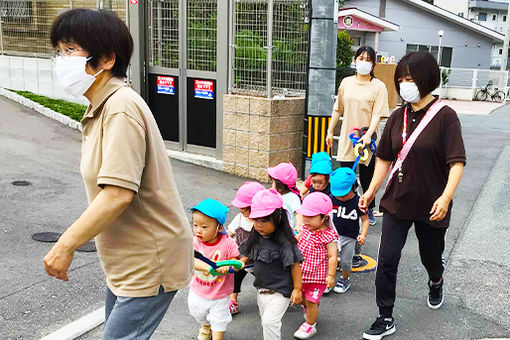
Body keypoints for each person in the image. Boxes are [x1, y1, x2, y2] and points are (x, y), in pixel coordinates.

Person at [43, 9, 193, 339]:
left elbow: (117, 194)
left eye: (70, 50)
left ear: (107, 58)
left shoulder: (120, 107)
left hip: (149, 261)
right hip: (127, 262)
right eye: (58, 51)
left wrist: (66, 244)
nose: (61, 60)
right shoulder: (102, 107)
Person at [359, 51, 465, 340]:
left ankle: (436, 278)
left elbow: (456, 162)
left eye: (411, 78)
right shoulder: (397, 116)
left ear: (427, 78)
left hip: (433, 203)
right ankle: (385, 316)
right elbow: (384, 158)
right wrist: (370, 191)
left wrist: (445, 198)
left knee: (429, 255)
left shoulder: (445, 117)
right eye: (401, 79)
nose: (406, 84)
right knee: (387, 259)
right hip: (397, 201)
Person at [326, 46, 390, 226]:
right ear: (355, 61)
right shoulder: (346, 82)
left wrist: (369, 135)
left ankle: (368, 208)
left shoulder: (378, 86)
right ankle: (345, 207)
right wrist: (330, 130)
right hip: (349, 138)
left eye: (368, 60)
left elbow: (378, 114)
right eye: (361, 58)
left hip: (367, 139)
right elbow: (338, 108)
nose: (364, 62)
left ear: (373, 64)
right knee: (346, 173)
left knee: (368, 175)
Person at [239, 188, 303, 340]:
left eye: (264, 220)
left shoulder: (285, 242)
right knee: (266, 323)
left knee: (269, 322)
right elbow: (249, 255)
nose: (259, 225)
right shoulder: (257, 237)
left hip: (280, 291)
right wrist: (242, 260)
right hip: (261, 290)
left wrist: (297, 289)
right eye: (256, 220)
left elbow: (295, 266)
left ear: (278, 218)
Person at [189, 199, 240, 340]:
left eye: (204, 227)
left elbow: (235, 260)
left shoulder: (228, 243)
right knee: (197, 313)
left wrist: (230, 266)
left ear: (219, 227)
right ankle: (206, 325)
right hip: (199, 288)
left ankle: (216, 335)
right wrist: (211, 267)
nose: (198, 230)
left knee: (219, 319)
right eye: (195, 225)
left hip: (220, 292)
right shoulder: (194, 242)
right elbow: (190, 259)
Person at [293, 192, 338, 339]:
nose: (306, 219)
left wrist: (331, 275)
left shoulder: (329, 235)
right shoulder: (305, 229)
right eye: (305, 215)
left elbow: (332, 256)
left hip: (317, 277)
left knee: (312, 301)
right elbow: (296, 241)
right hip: (301, 274)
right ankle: (309, 309)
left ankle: (310, 325)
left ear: (324, 217)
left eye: (311, 217)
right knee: (305, 300)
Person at [329, 167, 370, 294]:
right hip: (332, 236)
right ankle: (326, 279)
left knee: (346, 262)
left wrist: (363, 234)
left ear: (353, 187)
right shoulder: (331, 198)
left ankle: (345, 279)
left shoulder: (358, 202)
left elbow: (365, 220)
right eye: (337, 194)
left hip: (349, 237)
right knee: (328, 259)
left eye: (343, 194)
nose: (339, 197)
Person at [227, 181, 265, 314]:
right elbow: (228, 234)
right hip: (240, 259)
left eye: (245, 207)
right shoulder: (239, 218)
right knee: (234, 278)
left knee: (264, 282)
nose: (242, 210)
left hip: (259, 260)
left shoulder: (262, 222)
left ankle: (268, 300)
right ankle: (233, 301)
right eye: (241, 207)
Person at [267, 162, 302, 230]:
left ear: (280, 185)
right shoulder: (276, 194)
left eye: (273, 182)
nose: (272, 185)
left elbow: (298, 213)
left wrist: (298, 226)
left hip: (288, 231)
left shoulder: (293, 198)